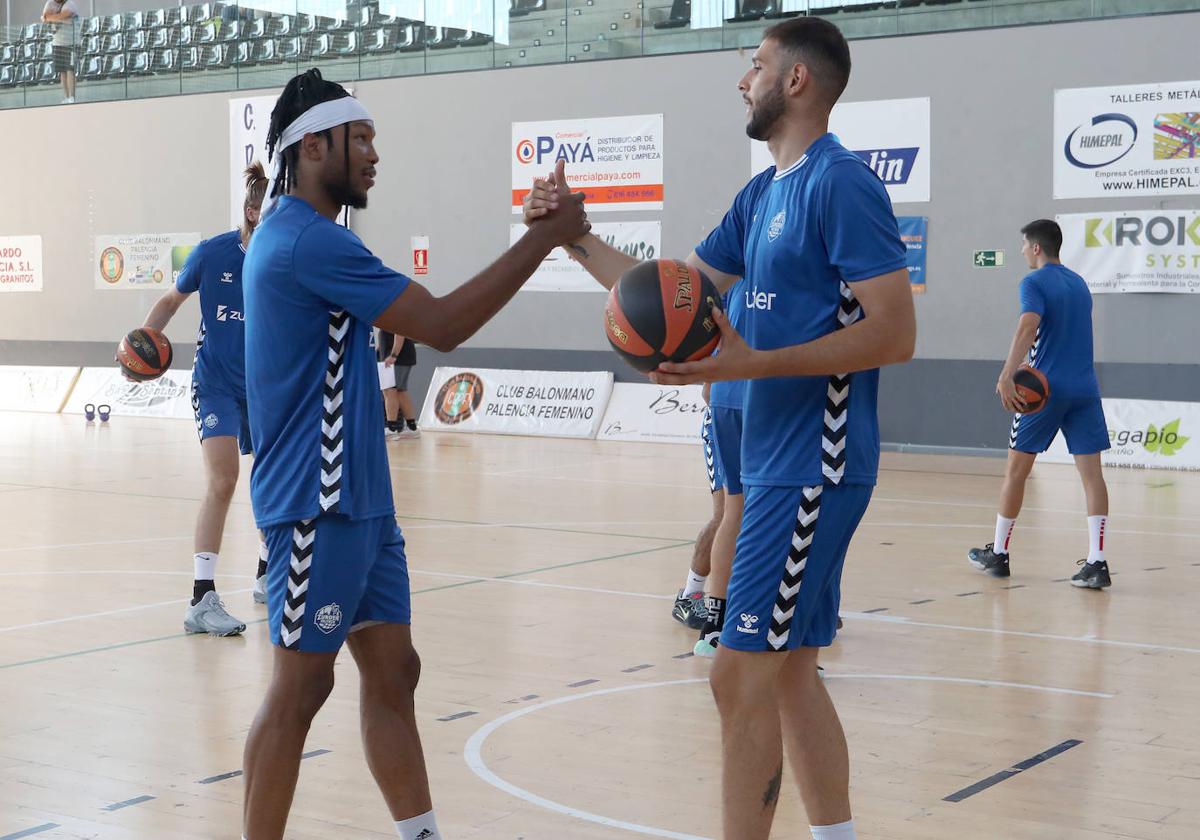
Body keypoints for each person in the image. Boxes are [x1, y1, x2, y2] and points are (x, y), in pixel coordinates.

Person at [524, 19, 915, 839]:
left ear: (798, 81)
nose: (744, 81)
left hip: (813, 461)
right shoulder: (764, 192)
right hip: (777, 460)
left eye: (757, 66)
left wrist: (750, 365)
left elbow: (895, 333)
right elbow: (666, 293)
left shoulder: (840, 184)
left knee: (738, 679)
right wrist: (572, 238)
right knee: (791, 675)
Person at [240, 69, 588, 840]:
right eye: (360, 139)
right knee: (299, 690)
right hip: (315, 504)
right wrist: (545, 238)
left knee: (395, 674)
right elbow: (442, 325)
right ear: (313, 145)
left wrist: (539, 234)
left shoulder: (312, 237)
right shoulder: (303, 239)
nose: (372, 154)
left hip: (361, 503)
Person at [138, 162, 269, 637]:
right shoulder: (213, 253)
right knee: (223, 479)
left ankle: (266, 575)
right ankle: (201, 597)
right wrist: (140, 341)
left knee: (272, 479)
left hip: (264, 385)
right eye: (262, 205)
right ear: (250, 209)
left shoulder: (281, 258)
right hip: (215, 381)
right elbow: (172, 300)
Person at [968, 219, 1111, 589]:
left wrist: (1006, 374)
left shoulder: (1033, 282)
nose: (1020, 252)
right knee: (1092, 476)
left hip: (1044, 391)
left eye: (1023, 246)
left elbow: (1028, 326)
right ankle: (1097, 562)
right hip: (1085, 389)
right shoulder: (1079, 283)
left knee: (1016, 472)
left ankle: (998, 553)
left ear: (1036, 248)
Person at [671, 396, 722, 629]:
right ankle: (691, 595)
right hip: (724, 428)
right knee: (726, 516)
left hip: (762, 428)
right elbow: (709, 392)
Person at [379, 330, 420, 439]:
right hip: (394, 356)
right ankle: (412, 428)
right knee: (400, 391)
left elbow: (399, 333)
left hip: (397, 357)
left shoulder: (393, 314)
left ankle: (392, 428)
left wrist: (393, 355)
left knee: (390, 390)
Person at [41, 0, 79, 104]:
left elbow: (65, 15)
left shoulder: (70, 4)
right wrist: (59, 18)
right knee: (62, 71)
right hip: (57, 42)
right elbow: (44, 18)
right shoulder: (49, 3)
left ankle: (72, 97)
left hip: (71, 42)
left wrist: (51, 17)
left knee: (70, 69)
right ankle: (66, 97)